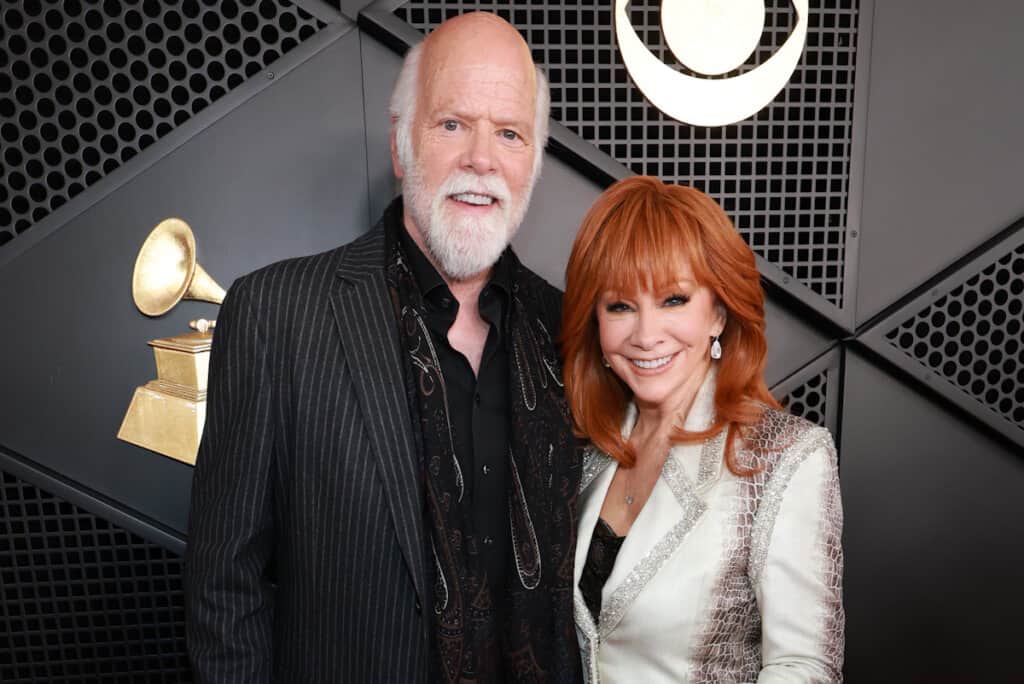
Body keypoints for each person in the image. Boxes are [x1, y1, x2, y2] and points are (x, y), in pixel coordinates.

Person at [184, 13, 582, 683]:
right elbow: (225, 588)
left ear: (532, 164)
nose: (481, 158)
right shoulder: (275, 315)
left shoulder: (570, 333)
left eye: (509, 133)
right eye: (452, 124)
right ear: (401, 147)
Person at [560, 176, 844, 682]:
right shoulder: (582, 452)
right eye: (620, 306)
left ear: (718, 311)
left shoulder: (787, 457)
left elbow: (805, 669)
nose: (647, 336)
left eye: (673, 300)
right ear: (596, 324)